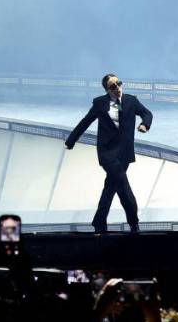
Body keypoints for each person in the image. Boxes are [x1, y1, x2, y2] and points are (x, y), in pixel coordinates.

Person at [65, 73, 152, 233]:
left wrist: (144, 125)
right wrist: (71, 141)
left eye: (119, 83)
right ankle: (134, 222)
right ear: (107, 89)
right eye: (113, 86)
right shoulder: (100, 103)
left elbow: (147, 113)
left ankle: (99, 222)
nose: (118, 88)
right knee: (123, 187)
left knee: (110, 188)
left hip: (124, 154)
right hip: (107, 153)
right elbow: (85, 122)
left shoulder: (131, 101)